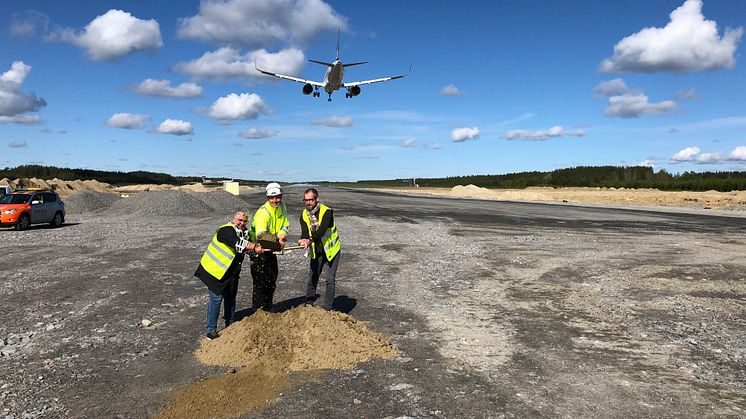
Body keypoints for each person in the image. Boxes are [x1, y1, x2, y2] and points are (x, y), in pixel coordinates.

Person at [195, 211, 261, 340]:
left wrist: (258, 250)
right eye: (239, 220)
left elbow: (247, 250)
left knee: (231, 297)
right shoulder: (225, 230)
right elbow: (237, 243)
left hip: (231, 272)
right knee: (216, 298)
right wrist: (253, 246)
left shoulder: (244, 233)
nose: (241, 223)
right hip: (214, 271)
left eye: (244, 221)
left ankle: (230, 324)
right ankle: (211, 330)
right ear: (233, 219)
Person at [297, 188, 341, 310]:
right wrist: (303, 240)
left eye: (311, 200)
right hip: (317, 251)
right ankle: (309, 305)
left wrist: (310, 240)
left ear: (317, 199)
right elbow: (305, 232)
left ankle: (328, 309)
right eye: (306, 200)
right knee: (313, 277)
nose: (308, 203)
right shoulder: (304, 215)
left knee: (330, 279)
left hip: (332, 250)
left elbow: (321, 231)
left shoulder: (327, 212)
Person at [249, 182, 289, 312]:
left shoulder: (282, 207)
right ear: (267, 198)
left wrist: (282, 235)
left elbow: (285, 224)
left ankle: (267, 307)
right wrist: (278, 242)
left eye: (277, 197)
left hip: (271, 249)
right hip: (258, 250)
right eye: (272, 198)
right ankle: (258, 312)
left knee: (271, 279)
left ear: (281, 196)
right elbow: (261, 236)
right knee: (260, 283)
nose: (275, 200)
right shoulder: (263, 213)